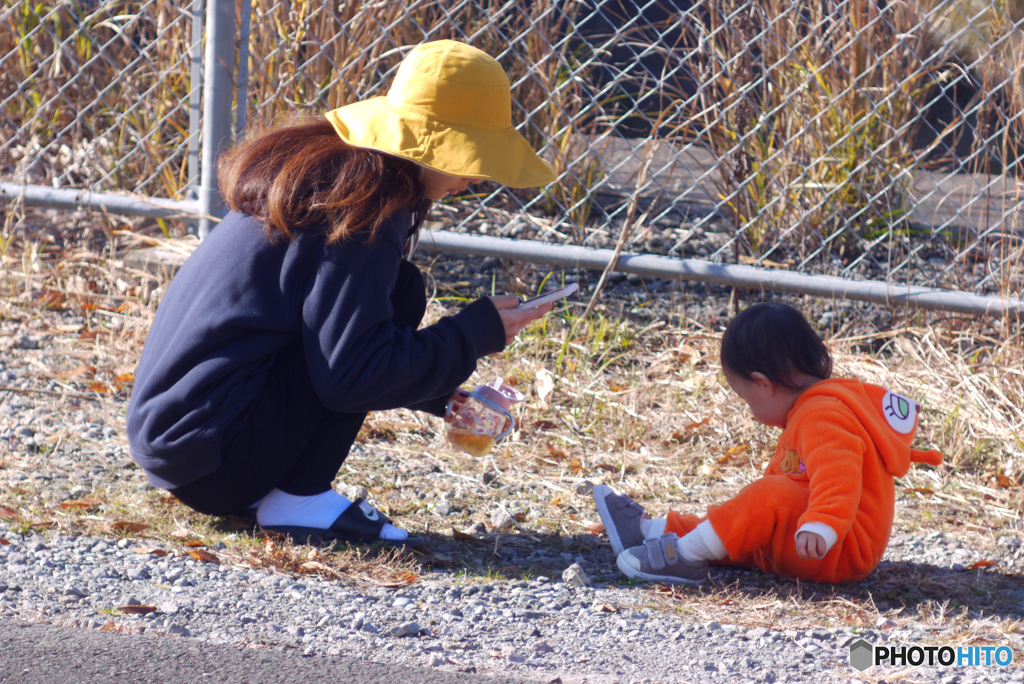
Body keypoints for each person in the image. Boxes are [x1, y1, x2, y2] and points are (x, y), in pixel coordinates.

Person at [126, 40, 557, 549]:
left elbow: (330, 336)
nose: (477, 174)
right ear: (427, 144)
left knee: (399, 289)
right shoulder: (368, 207)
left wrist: (444, 395)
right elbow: (352, 375)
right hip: (216, 457)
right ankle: (299, 499)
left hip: (187, 439)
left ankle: (288, 494)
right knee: (395, 301)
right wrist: (474, 333)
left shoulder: (339, 172)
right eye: (468, 153)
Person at [593, 302, 943, 583]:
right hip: (813, 539)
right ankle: (650, 532)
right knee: (742, 523)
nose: (750, 410)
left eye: (746, 398)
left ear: (763, 384)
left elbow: (839, 475)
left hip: (838, 549)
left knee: (768, 498)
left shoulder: (824, 414)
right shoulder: (809, 408)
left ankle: (683, 559)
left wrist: (821, 523)